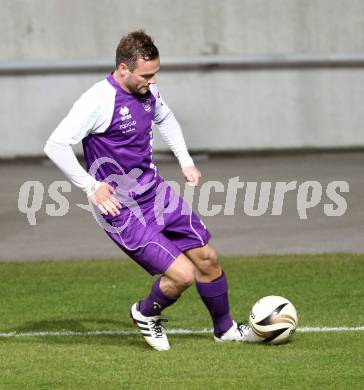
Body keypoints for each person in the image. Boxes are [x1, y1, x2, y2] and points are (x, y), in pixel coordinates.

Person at [44, 30, 260, 351]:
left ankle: (225, 329)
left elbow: (166, 118)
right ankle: (145, 314)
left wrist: (185, 161)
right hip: (122, 209)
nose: (152, 80)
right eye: (146, 75)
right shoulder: (97, 101)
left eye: (155, 73)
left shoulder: (148, 90)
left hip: (157, 194)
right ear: (123, 69)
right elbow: (55, 145)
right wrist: (91, 187)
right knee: (183, 275)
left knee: (208, 259)